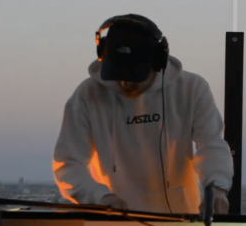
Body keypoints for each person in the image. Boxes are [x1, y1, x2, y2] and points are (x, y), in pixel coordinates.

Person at [53, 13, 233, 215]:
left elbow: (211, 146)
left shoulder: (192, 89)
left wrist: (217, 188)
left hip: (179, 223)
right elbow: (68, 163)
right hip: (110, 224)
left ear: (158, 61)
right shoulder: (87, 95)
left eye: (134, 75)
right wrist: (100, 197)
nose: (126, 83)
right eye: (118, 75)